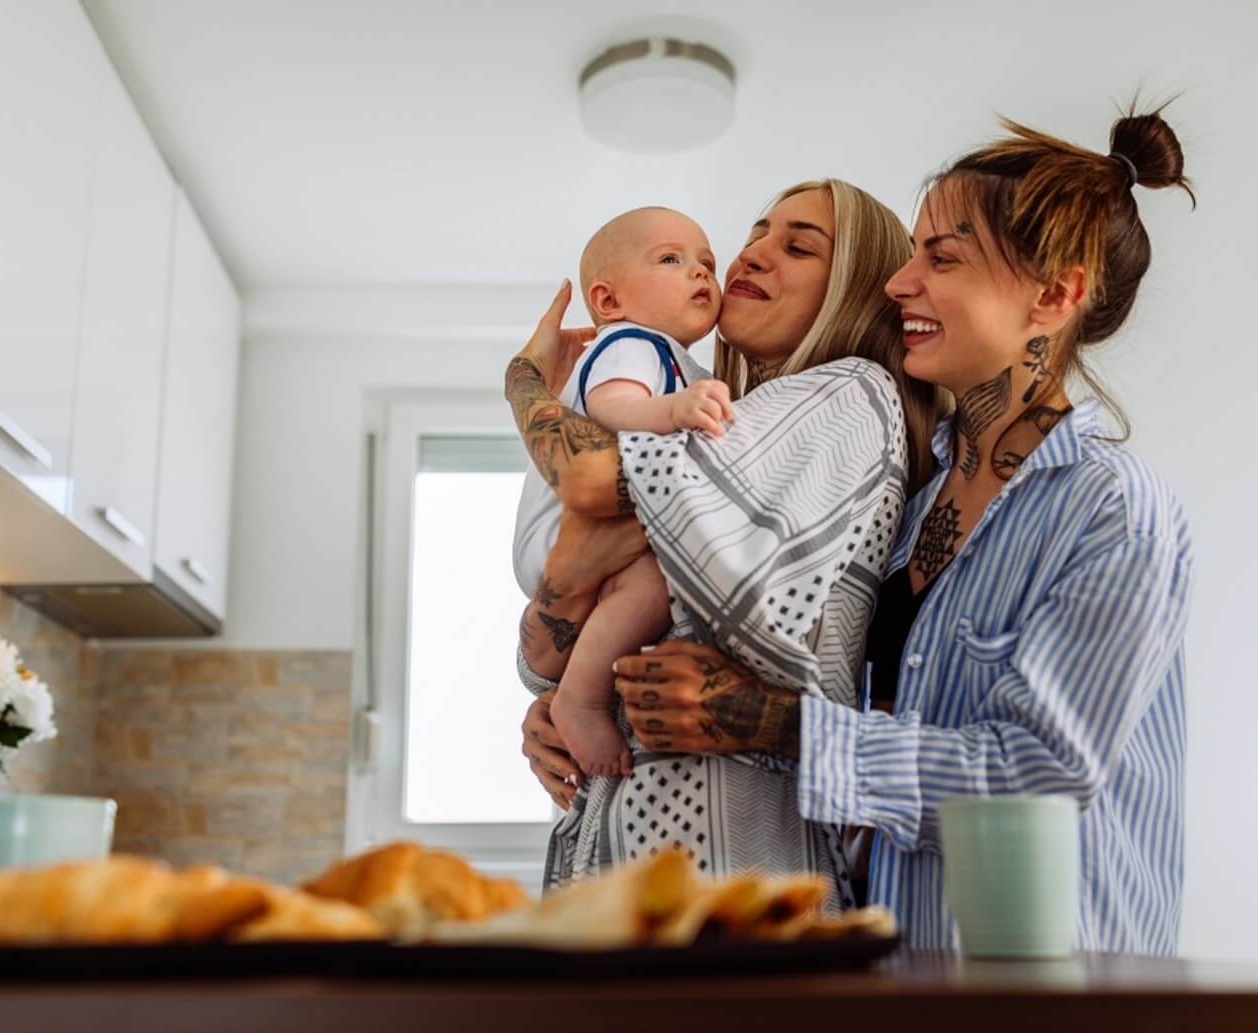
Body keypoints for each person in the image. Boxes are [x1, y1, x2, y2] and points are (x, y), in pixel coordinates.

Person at [609, 107, 1196, 953]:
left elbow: (1035, 778)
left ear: (1054, 295)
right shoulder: (912, 502)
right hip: (900, 977)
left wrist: (775, 722)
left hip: (1051, 996)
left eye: (941, 258)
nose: (898, 281)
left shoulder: (1110, 510)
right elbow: (872, 733)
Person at [508, 180, 938, 897]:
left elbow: (590, 482)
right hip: (628, 868)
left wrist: (524, 381)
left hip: (732, 881)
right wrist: (559, 694)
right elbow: (545, 648)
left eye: (797, 245)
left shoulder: (846, 393)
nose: (749, 255)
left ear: (858, 291)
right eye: (757, 233)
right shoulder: (723, 413)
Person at [513, 206, 733, 777]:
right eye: (671, 259)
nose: (700, 274)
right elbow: (616, 410)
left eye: (708, 264)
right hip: (564, 532)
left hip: (582, 543)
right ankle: (580, 701)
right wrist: (675, 409)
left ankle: (582, 690)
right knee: (656, 579)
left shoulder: (674, 359)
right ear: (608, 302)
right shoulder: (631, 343)